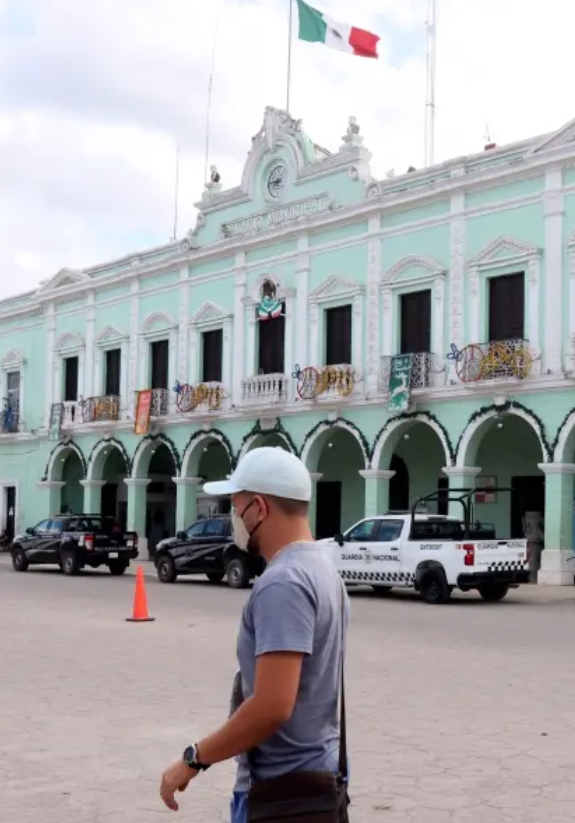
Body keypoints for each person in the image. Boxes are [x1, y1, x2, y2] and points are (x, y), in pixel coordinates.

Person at [160, 446, 350, 820]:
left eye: (236, 506)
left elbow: (271, 706)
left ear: (260, 509)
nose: (234, 518)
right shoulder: (323, 569)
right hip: (316, 782)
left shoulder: (284, 583)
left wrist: (192, 759)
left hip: (280, 794)